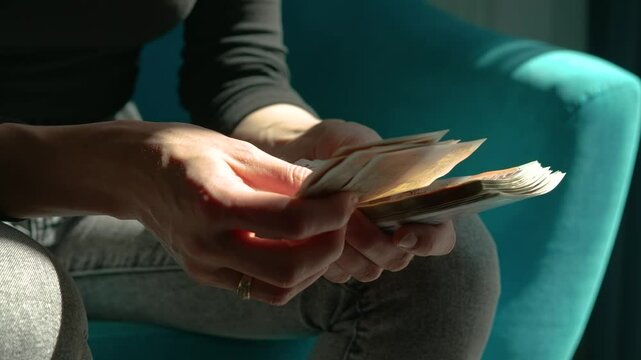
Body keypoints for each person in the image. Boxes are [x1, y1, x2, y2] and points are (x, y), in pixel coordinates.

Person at [0, 0, 500, 359]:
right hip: (94, 182)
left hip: (95, 208)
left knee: (440, 264)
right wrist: (121, 168)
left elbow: (237, 69)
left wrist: (303, 141)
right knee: (20, 299)